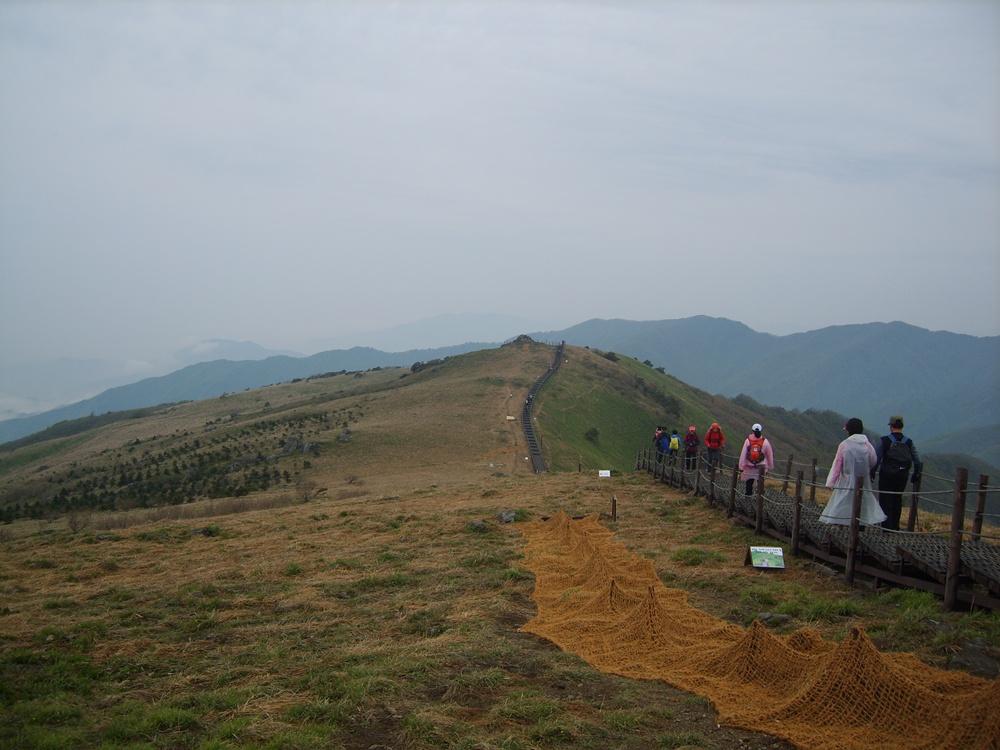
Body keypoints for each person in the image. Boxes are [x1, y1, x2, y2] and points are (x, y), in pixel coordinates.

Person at [819, 418, 887, 526]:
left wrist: (831, 482)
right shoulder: (867, 445)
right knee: (862, 501)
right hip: (863, 480)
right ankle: (861, 523)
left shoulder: (844, 445)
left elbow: (837, 464)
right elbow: (873, 461)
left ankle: (841, 523)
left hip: (846, 480)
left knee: (843, 502)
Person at [871, 415, 923, 531]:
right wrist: (916, 473)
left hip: (887, 475)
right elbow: (918, 460)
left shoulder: (885, 440)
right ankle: (895, 526)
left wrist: (872, 472)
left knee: (886, 499)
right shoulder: (908, 442)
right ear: (902, 426)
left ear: (891, 426)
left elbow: (876, 458)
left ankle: (886, 526)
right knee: (897, 498)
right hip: (902, 475)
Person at [738, 423, 774, 496]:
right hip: (761, 465)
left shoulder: (748, 441)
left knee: (749, 481)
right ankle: (759, 496)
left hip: (750, 465)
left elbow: (743, 454)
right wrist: (769, 466)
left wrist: (741, 466)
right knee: (760, 481)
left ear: (753, 431)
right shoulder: (765, 442)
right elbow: (769, 455)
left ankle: (748, 495)